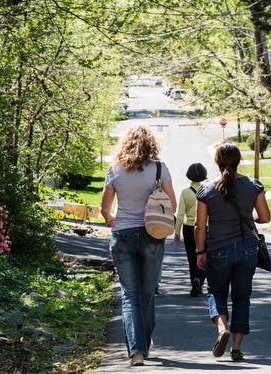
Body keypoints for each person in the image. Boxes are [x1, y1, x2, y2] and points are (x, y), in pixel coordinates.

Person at [100, 125, 176, 367]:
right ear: (152, 144)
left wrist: (110, 219)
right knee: (147, 294)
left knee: (130, 295)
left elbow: (105, 207)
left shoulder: (115, 169)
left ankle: (137, 352)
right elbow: (172, 205)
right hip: (152, 235)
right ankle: (144, 342)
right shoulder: (159, 169)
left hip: (122, 235)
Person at [194, 142, 270, 362]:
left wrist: (201, 251)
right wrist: (249, 218)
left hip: (218, 249)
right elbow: (265, 218)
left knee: (216, 292)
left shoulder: (206, 190)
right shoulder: (253, 185)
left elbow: (200, 226)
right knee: (241, 298)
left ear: (217, 162)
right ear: (239, 161)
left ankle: (221, 330)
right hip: (248, 248)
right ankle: (236, 347)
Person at [174, 162, 208, 297]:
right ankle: (199, 279)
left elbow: (180, 214)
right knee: (204, 255)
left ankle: (194, 279)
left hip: (189, 228)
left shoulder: (185, 193)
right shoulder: (207, 190)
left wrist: (177, 232)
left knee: (191, 257)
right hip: (205, 227)